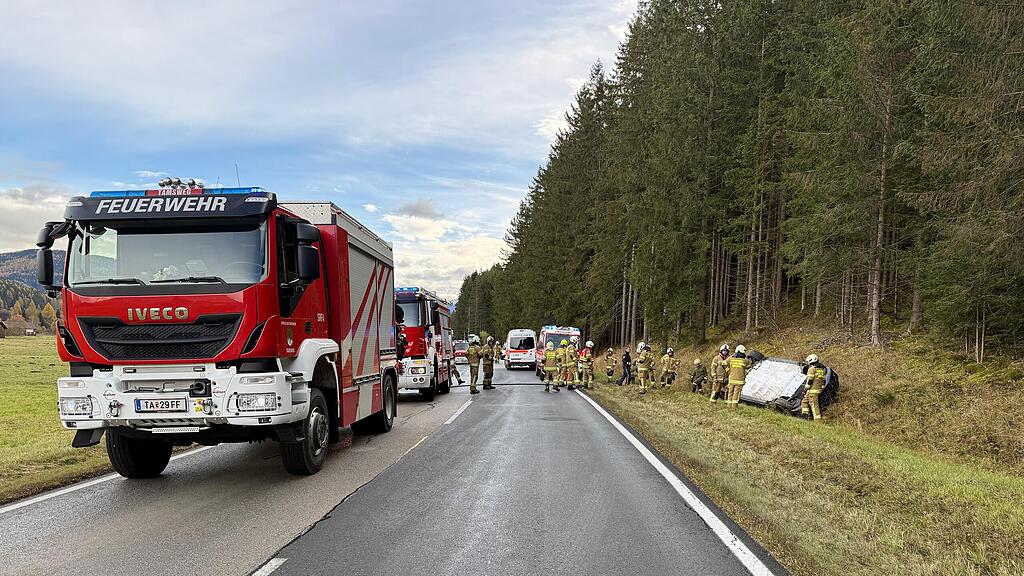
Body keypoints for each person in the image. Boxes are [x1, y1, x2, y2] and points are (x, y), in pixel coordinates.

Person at [800, 354, 826, 420]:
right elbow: (823, 381)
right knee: (804, 402)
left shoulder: (811, 369)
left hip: (812, 391)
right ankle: (805, 417)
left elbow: (810, 380)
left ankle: (817, 421)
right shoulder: (821, 370)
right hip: (816, 390)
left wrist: (806, 388)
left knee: (814, 406)